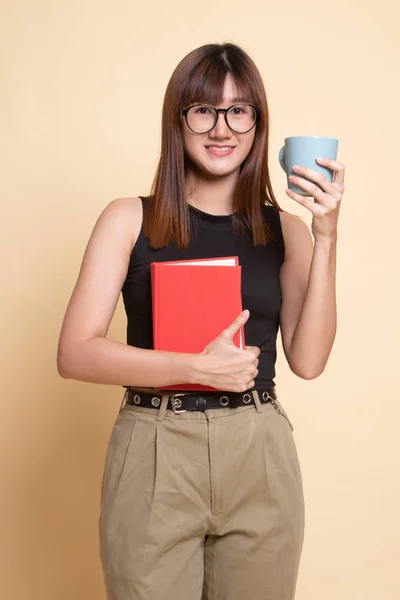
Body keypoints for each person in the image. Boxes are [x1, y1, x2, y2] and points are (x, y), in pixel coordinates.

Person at [57, 42, 345, 600]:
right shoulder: (128, 219)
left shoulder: (285, 231)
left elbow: (308, 361)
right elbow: (74, 353)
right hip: (156, 445)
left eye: (240, 111)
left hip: (258, 447)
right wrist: (195, 368)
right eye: (204, 110)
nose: (222, 128)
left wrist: (326, 236)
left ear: (259, 125)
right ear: (179, 120)